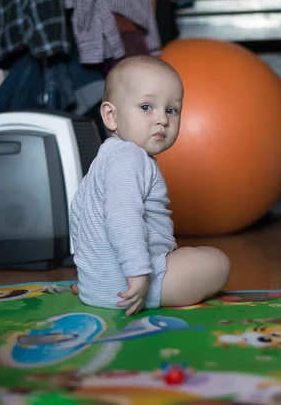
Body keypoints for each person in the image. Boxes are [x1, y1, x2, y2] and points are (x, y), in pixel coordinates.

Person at [70, 55, 231, 316]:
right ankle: (144, 287)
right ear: (111, 116)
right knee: (217, 262)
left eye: (171, 110)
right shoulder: (130, 157)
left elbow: (79, 214)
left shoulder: (105, 160)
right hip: (132, 284)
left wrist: (90, 272)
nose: (162, 120)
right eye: (146, 107)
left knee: (185, 255)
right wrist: (137, 273)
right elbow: (123, 218)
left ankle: (99, 284)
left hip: (98, 286)